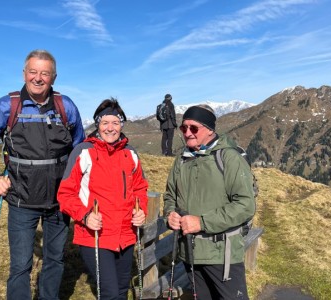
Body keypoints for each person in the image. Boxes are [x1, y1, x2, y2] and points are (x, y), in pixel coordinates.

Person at [0, 49, 85, 300]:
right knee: (21, 265)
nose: (38, 78)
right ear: (24, 73)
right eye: (33, 71)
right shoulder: (6, 106)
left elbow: (79, 149)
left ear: (54, 77)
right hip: (21, 198)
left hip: (60, 201)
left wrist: (76, 187)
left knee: (55, 259)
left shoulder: (66, 106)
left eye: (45, 73)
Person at [57, 98, 149, 299]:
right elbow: (65, 194)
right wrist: (85, 215)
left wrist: (141, 210)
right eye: (105, 122)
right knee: (110, 294)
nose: (110, 128)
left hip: (126, 234)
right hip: (95, 236)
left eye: (115, 123)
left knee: (122, 292)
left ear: (121, 125)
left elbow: (140, 188)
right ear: (97, 125)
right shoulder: (83, 152)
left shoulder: (130, 153)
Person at [163, 105, 255, 300]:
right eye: (183, 128)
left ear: (210, 130)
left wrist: (202, 222)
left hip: (222, 255)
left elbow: (246, 205)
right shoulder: (181, 160)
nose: (187, 133)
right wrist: (169, 214)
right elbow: (170, 196)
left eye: (194, 128)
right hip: (189, 252)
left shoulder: (229, 158)